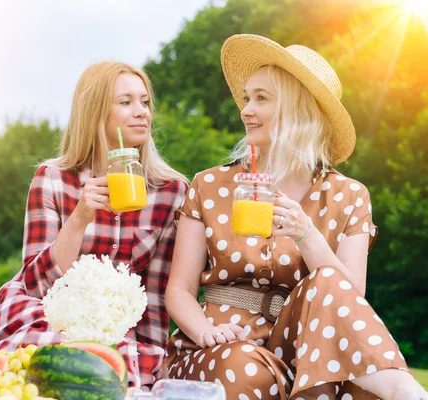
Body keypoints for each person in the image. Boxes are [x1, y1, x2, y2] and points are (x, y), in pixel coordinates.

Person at [165, 34, 428, 400]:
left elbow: (350, 299)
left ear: (297, 110)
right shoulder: (209, 184)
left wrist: (308, 236)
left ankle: (400, 389)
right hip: (221, 343)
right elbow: (179, 290)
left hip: (307, 345)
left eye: (261, 99)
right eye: (246, 98)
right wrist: (205, 331)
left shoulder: (349, 196)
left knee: (330, 286)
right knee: (244, 370)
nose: (246, 110)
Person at [0, 60, 188, 388]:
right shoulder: (53, 179)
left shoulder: (171, 191)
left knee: (117, 358)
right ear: (95, 112)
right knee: (52, 343)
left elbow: (153, 294)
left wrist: (154, 365)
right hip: (44, 310)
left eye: (145, 102)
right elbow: (35, 285)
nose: (142, 112)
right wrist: (80, 218)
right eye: (125, 103)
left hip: (112, 327)